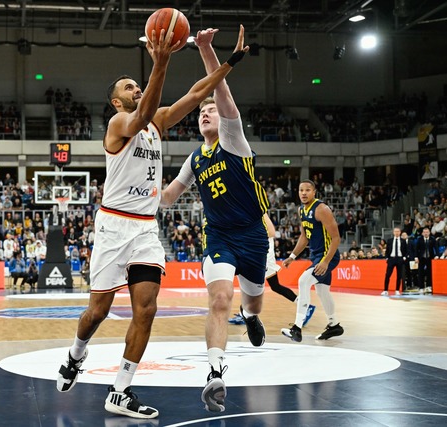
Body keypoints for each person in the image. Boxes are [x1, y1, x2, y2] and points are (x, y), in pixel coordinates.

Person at [56, 25, 249, 420]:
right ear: (116, 101)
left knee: (146, 310)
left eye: (137, 84)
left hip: (144, 227)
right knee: (98, 312)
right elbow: (143, 111)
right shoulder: (118, 126)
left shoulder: (157, 122)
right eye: (129, 87)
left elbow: (197, 93)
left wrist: (230, 62)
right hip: (112, 227)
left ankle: (120, 390)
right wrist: (160, 60)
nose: (136, 90)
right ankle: (77, 354)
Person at [160, 27, 263, 413]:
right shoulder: (194, 158)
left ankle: (251, 318)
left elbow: (221, 93)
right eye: (200, 112)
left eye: (209, 110)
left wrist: (205, 49)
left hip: (252, 235)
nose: (204, 112)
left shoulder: (235, 140)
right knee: (220, 299)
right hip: (219, 236)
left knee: (253, 302)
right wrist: (139, 185)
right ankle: (215, 373)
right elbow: (169, 196)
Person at [281, 179, 344, 343]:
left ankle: (297, 328)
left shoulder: (321, 209)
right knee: (322, 291)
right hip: (317, 256)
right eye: (301, 190)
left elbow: (336, 238)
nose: (303, 193)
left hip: (327, 256)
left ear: (314, 192)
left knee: (303, 281)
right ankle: (334, 325)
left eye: (307, 190)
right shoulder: (302, 210)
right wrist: (292, 256)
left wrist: (325, 262)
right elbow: (304, 237)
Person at [382, 227, 407, 296]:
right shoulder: (389, 240)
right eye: (395, 231)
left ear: (400, 232)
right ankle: (385, 290)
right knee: (387, 275)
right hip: (391, 259)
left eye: (398, 231)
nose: (396, 233)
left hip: (400, 259)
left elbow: (405, 250)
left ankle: (397, 290)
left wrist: (404, 257)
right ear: (393, 232)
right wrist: (387, 258)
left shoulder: (403, 241)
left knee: (399, 275)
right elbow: (387, 250)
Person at [415, 227, 438, 294]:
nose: (426, 233)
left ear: (429, 233)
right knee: (420, 272)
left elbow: (436, 247)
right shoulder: (419, 239)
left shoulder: (432, 239)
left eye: (427, 232)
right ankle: (421, 287)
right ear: (422, 233)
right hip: (422, 258)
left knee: (429, 272)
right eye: (424, 232)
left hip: (430, 257)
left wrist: (437, 255)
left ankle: (429, 286)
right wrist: (416, 257)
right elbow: (416, 249)